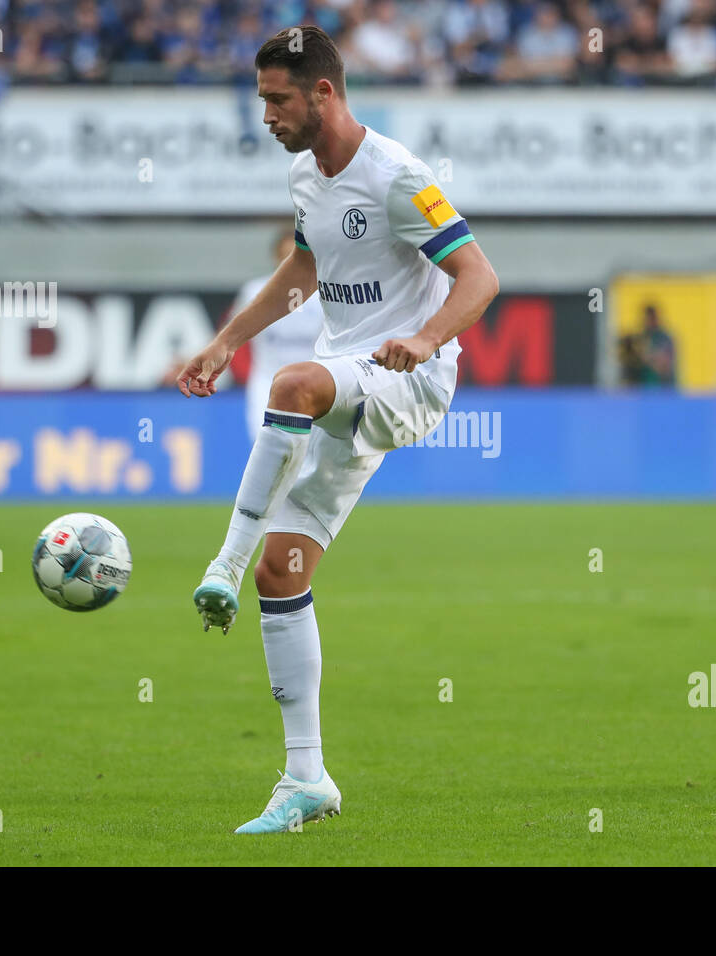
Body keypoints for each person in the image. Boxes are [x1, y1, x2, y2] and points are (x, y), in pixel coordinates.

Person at [175, 25, 499, 833]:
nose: (267, 115)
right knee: (282, 575)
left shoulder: (397, 177)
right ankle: (306, 778)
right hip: (348, 383)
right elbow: (305, 271)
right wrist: (224, 343)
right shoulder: (304, 176)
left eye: (277, 99)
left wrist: (426, 338)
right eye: (261, 100)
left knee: (293, 383)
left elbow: (480, 275)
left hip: (408, 380)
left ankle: (222, 556)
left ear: (323, 92)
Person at [230, 226, 326, 443]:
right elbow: (232, 335)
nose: (291, 265)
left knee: (311, 452)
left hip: (312, 383)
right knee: (265, 447)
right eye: (285, 257)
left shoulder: (324, 292)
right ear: (275, 257)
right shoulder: (254, 291)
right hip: (267, 383)